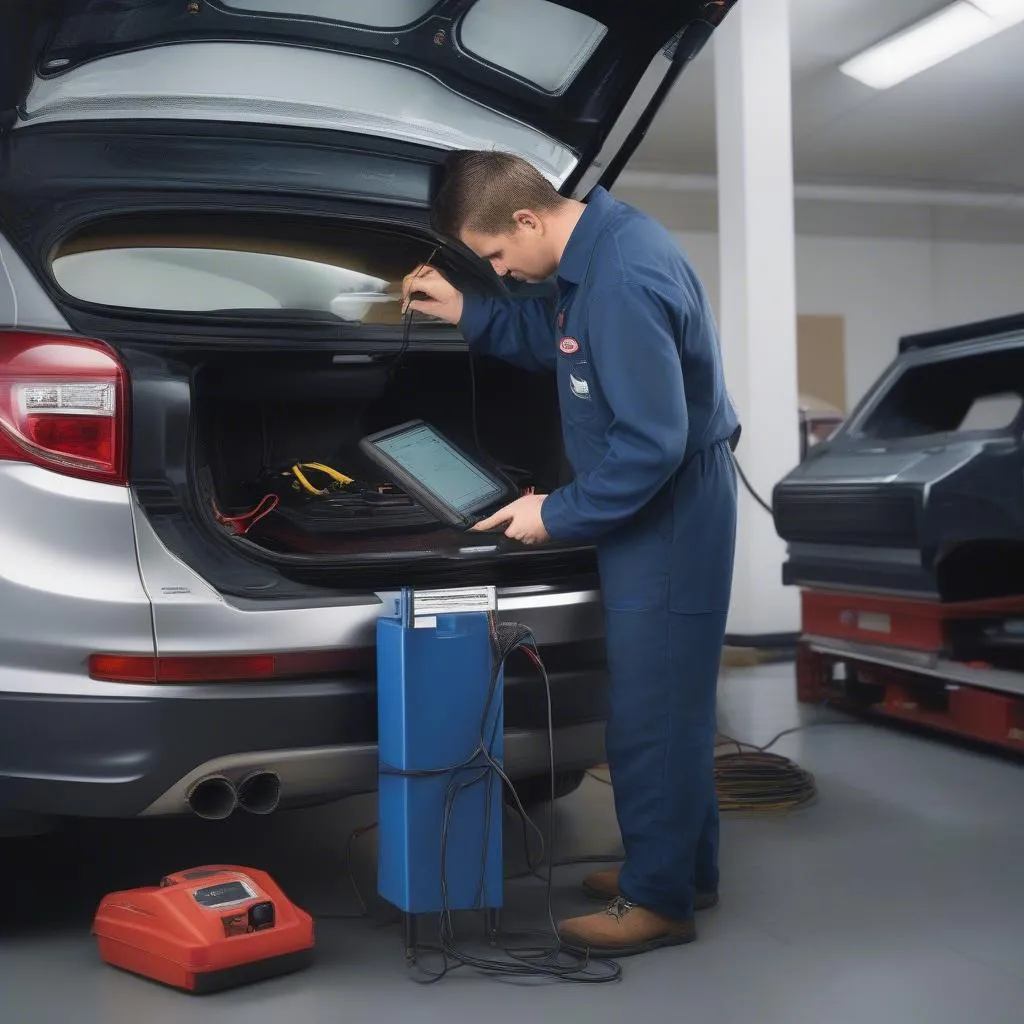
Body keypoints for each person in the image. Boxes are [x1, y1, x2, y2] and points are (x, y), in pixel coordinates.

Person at [401, 151, 739, 958]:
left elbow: (652, 445)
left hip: (665, 513)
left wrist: (557, 512)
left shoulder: (622, 280)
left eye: (492, 257)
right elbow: (559, 336)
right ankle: (683, 870)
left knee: (652, 717)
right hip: (657, 505)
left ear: (525, 219)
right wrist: (467, 311)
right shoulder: (600, 252)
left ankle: (657, 902)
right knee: (675, 706)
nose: (501, 273)